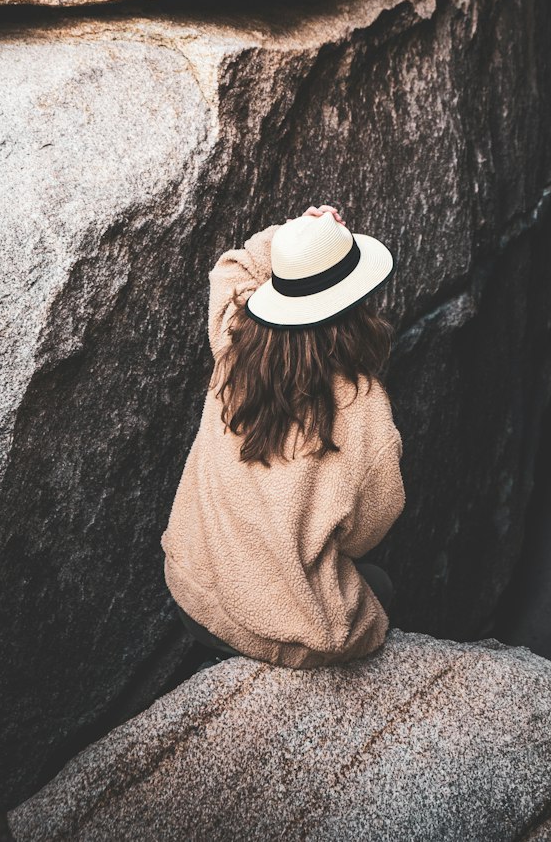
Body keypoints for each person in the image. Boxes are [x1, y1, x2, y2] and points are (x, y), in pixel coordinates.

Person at [161, 203, 404, 667]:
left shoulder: (234, 345)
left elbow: (231, 269)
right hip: (290, 628)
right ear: (356, 302)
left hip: (193, 589)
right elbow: (366, 531)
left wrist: (293, 236)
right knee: (381, 585)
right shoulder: (365, 405)